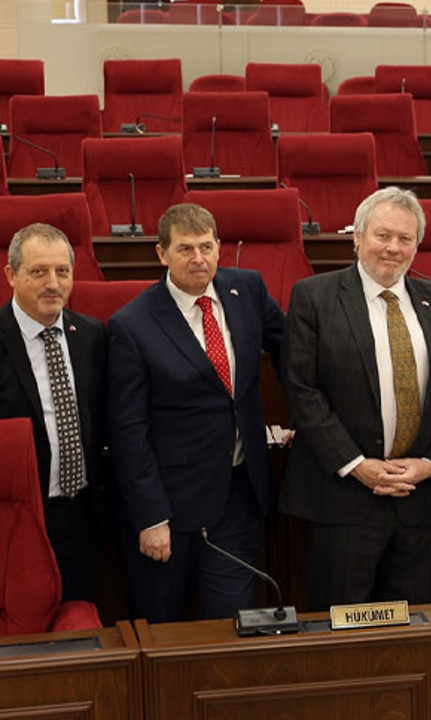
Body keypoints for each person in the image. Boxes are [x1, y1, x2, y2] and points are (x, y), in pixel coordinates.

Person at [280, 186, 431, 608]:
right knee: (344, 632)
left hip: (416, 499)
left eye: (405, 239)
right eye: (383, 235)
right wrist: (356, 465)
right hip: (343, 499)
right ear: (357, 238)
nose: (393, 248)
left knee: (408, 628)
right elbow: (302, 390)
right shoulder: (315, 297)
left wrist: (430, 464)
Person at [108, 203, 284, 622]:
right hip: (171, 507)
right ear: (161, 253)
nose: (199, 258)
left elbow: (293, 352)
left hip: (239, 495)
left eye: (206, 246)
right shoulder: (132, 325)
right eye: (185, 248)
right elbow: (128, 430)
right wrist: (151, 516)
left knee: (232, 624)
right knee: (164, 630)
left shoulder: (248, 289)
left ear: (220, 247)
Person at [0, 223, 106, 602]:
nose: (53, 283)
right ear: (11, 275)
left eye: (62, 271)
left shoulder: (93, 337)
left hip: (81, 514)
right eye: (39, 271)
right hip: (14, 520)